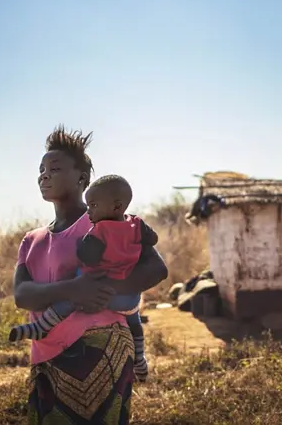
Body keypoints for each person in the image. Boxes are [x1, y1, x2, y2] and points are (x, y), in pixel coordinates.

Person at [13, 125, 168, 424]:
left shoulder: (110, 220)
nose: (44, 175)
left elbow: (156, 268)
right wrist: (74, 289)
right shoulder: (31, 240)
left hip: (104, 353)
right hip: (45, 359)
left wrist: (108, 287)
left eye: (54, 168)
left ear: (82, 178)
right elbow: (22, 295)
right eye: (41, 169)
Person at [9, 174, 157, 382]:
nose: (90, 211)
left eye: (94, 206)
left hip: (103, 300)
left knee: (73, 298)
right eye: (42, 168)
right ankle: (140, 359)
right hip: (129, 299)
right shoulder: (136, 223)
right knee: (136, 324)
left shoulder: (101, 228)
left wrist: (84, 250)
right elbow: (153, 241)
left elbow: (87, 255)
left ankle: (41, 327)